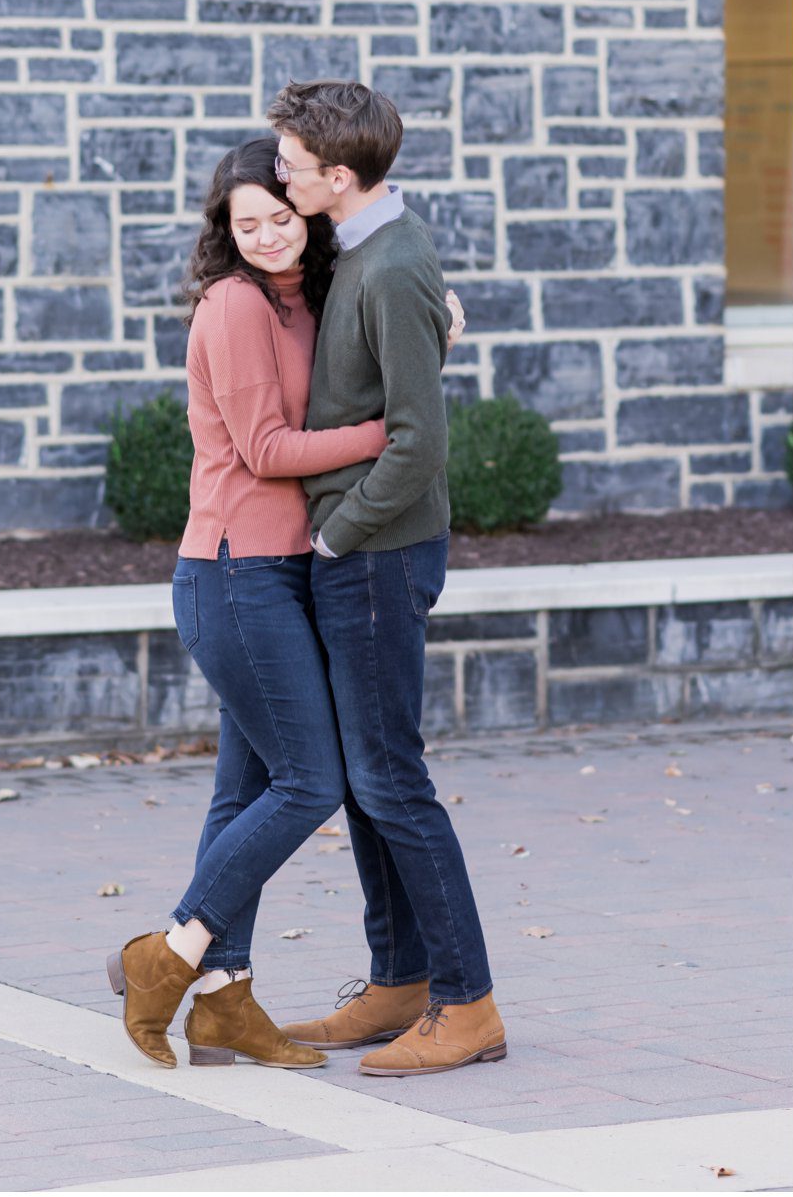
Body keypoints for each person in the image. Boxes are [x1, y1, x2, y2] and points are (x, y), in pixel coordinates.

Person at [107, 135, 463, 1070]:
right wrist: (397, 428)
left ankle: (225, 998)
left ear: (309, 208)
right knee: (312, 779)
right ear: (223, 231)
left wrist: (434, 332)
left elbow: (364, 360)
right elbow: (266, 449)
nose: (266, 235)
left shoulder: (316, 295)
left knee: (248, 788)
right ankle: (173, 950)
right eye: (245, 222)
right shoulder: (233, 306)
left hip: (289, 569)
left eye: (279, 214)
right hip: (235, 571)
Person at [267, 79, 506, 1077]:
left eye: (290, 162)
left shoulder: (394, 265)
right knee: (367, 786)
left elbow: (416, 442)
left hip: (374, 556)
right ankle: (397, 985)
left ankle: (467, 1003)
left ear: (339, 175)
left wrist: (335, 537)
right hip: (356, 553)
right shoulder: (362, 246)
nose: (277, 173)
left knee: (390, 781)